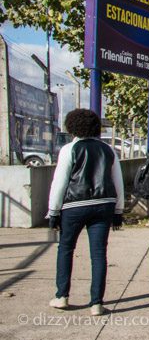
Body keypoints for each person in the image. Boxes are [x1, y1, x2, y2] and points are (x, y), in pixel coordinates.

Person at [47, 109, 124, 316]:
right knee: (99, 253)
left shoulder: (69, 149)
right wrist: (119, 209)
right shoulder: (108, 150)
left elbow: (60, 182)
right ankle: (96, 303)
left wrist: (53, 210)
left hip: (74, 206)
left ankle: (62, 296)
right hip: (104, 204)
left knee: (66, 248)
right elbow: (118, 181)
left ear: (71, 126)